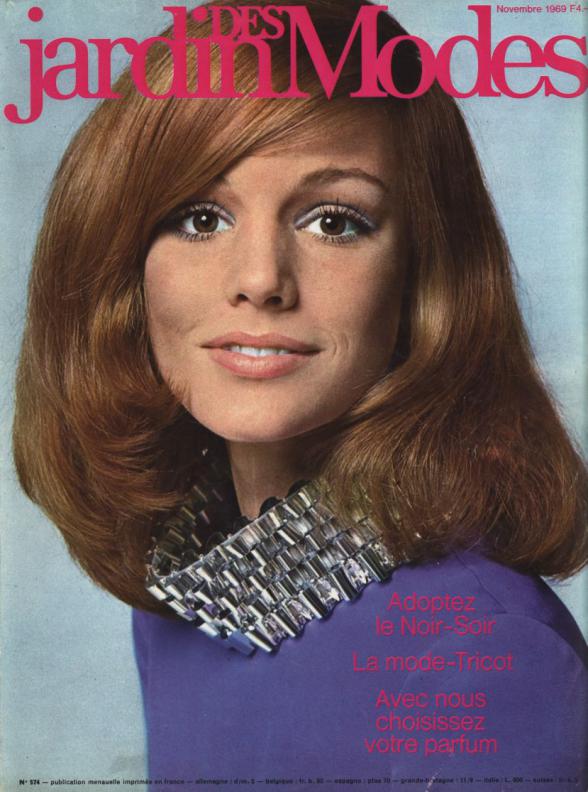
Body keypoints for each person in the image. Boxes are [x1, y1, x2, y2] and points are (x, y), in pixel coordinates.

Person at [12, 0, 588, 788]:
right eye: (200, 218)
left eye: (335, 222)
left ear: (421, 276)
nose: (260, 280)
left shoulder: (483, 657)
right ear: (123, 263)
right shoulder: (187, 596)